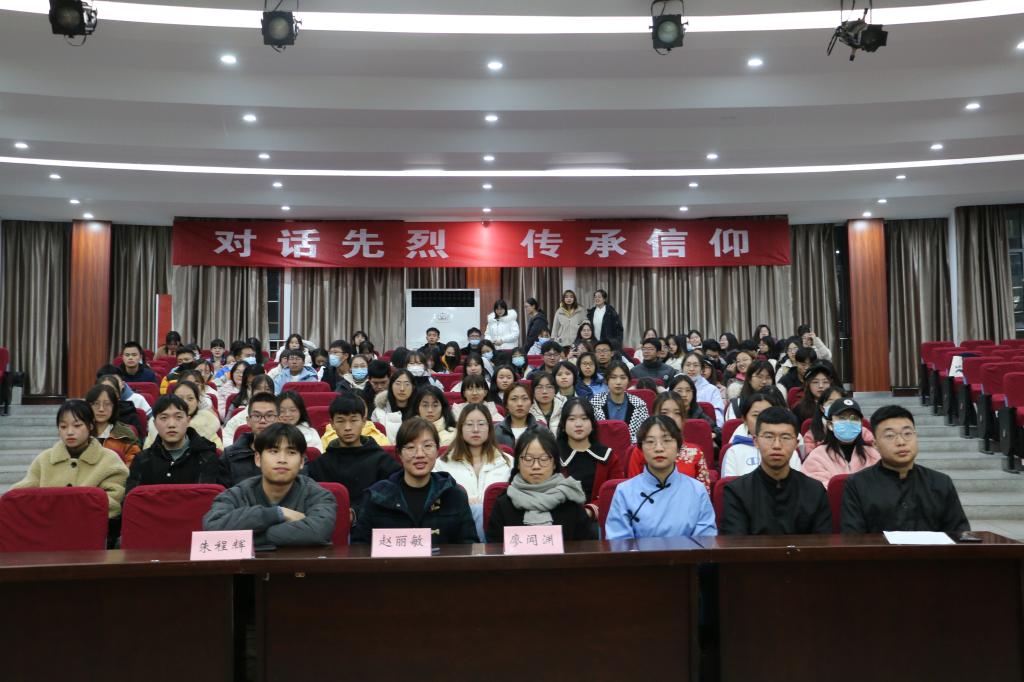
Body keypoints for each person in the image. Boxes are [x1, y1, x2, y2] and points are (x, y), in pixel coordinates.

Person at [204, 423, 337, 550]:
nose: (282, 459)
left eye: (291, 452)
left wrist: (249, 537)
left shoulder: (320, 495)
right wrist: (278, 513)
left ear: (302, 461)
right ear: (258, 459)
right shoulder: (236, 494)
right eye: (274, 451)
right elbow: (212, 527)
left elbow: (318, 532)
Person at [841, 406, 970, 534]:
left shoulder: (941, 482)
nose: (901, 442)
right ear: (875, 444)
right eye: (890, 436)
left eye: (907, 434)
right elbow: (853, 539)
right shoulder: (857, 485)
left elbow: (960, 534)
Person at [351, 417, 477, 545]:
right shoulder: (377, 497)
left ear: (437, 451)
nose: (420, 454)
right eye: (411, 447)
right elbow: (360, 548)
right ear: (399, 454)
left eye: (427, 446)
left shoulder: (454, 496)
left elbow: (469, 546)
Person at [720, 407, 832, 535]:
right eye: (769, 437)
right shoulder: (736, 491)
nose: (777, 445)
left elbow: (821, 543)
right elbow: (735, 544)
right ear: (756, 441)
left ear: (796, 443)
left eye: (785, 437)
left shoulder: (815, 491)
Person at [11, 399, 129, 518]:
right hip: (48, 525)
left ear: (91, 425)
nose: (70, 432)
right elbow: (21, 493)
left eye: (77, 425)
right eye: (63, 426)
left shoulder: (109, 460)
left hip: (91, 525)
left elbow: (114, 503)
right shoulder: (44, 459)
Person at [604, 416, 716, 540]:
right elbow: (619, 544)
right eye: (650, 442)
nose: (659, 448)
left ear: (678, 447)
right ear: (641, 448)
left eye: (667, 440)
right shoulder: (624, 492)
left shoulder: (697, 490)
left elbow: (705, 541)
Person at [487, 427, 595, 542]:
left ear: (554, 463)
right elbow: (495, 549)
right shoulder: (503, 505)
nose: (536, 466)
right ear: (518, 463)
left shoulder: (570, 501)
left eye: (544, 459)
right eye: (528, 459)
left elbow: (587, 547)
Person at [304, 392, 400, 510]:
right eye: (341, 421)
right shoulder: (319, 466)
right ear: (332, 424)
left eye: (353, 420)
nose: (348, 427)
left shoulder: (383, 461)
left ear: (364, 422)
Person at [434, 405, 513, 540]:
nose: (475, 429)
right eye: (469, 424)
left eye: (481, 424)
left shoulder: (508, 462)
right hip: (456, 529)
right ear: (460, 428)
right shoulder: (442, 463)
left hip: (498, 528)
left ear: (489, 428)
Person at [125, 394, 220, 494]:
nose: (171, 424)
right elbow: (133, 499)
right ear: (155, 424)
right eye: (164, 418)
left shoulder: (206, 457)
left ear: (188, 421)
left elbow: (207, 498)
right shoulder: (142, 460)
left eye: (178, 417)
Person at [625, 392, 711, 494]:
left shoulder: (695, 452)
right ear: (654, 416)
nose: (671, 418)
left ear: (683, 419)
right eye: (664, 413)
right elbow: (633, 491)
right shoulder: (642, 450)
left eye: (677, 413)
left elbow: (704, 494)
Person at [556, 397, 624, 505]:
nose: (578, 424)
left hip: (600, 513)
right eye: (572, 419)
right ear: (563, 425)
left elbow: (616, 492)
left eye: (584, 418)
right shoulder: (553, 456)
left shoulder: (608, 456)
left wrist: (592, 510)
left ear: (592, 424)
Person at [802, 398, 881, 488]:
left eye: (854, 418)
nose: (849, 422)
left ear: (860, 424)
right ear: (830, 425)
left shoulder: (873, 454)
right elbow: (813, 487)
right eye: (842, 418)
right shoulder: (817, 456)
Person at [720, 392, 803, 477]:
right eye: (755, 415)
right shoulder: (734, 452)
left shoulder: (789, 450)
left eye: (767, 414)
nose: (761, 419)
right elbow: (729, 483)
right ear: (744, 419)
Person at [219, 392, 279, 488]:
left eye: (269, 416)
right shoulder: (229, 455)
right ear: (248, 421)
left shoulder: (291, 453)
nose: (263, 421)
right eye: (257, 416)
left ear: (278, 420)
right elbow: (223, 493)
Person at [144, 380, 222, 449]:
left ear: (197, 401)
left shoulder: (208, 424)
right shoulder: (157, 425)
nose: (185, 402)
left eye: (190, 398)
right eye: (180, 398)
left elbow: (218, 453)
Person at [590, 361, 649, 443]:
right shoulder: (595, 403)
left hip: (631, 448)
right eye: (613, 377)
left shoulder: (640, 405)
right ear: (606, 380)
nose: (618, 382)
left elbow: (644, 436)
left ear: (628, 380)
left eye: (623, 378)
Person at [86, 383, 141, 467]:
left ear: (114, 407)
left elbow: (134, 464)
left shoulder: (125, 434)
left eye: (107, 404)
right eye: (96, 404)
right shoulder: (81, 432)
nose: (101, 409)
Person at [224, 372, 274, 442]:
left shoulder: (280, 415)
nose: (263, 392)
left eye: (267, 389)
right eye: (258, 389)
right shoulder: (240, 416)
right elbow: (226, 436)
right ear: (252, 392)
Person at [679, 352, 724, 427]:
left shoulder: (712, 390)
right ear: (682, 368)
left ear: (701, 369)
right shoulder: (673, 387)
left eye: (696, 365)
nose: (691, 369)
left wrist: (714, 430)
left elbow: (718, 418)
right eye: (688, 365)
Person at [496, 381, 543, 447]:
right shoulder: (495, 430)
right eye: (514, 399)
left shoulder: (542, 430)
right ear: (506, 404)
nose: (519, 404)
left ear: (531, 403)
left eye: (524, 398)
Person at [371, 369, 415, 438]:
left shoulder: (420, 410)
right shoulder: (379, 412)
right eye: (398, 384)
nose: (402, 389)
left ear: (413, 387)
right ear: (391, 386)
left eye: (407, 384)